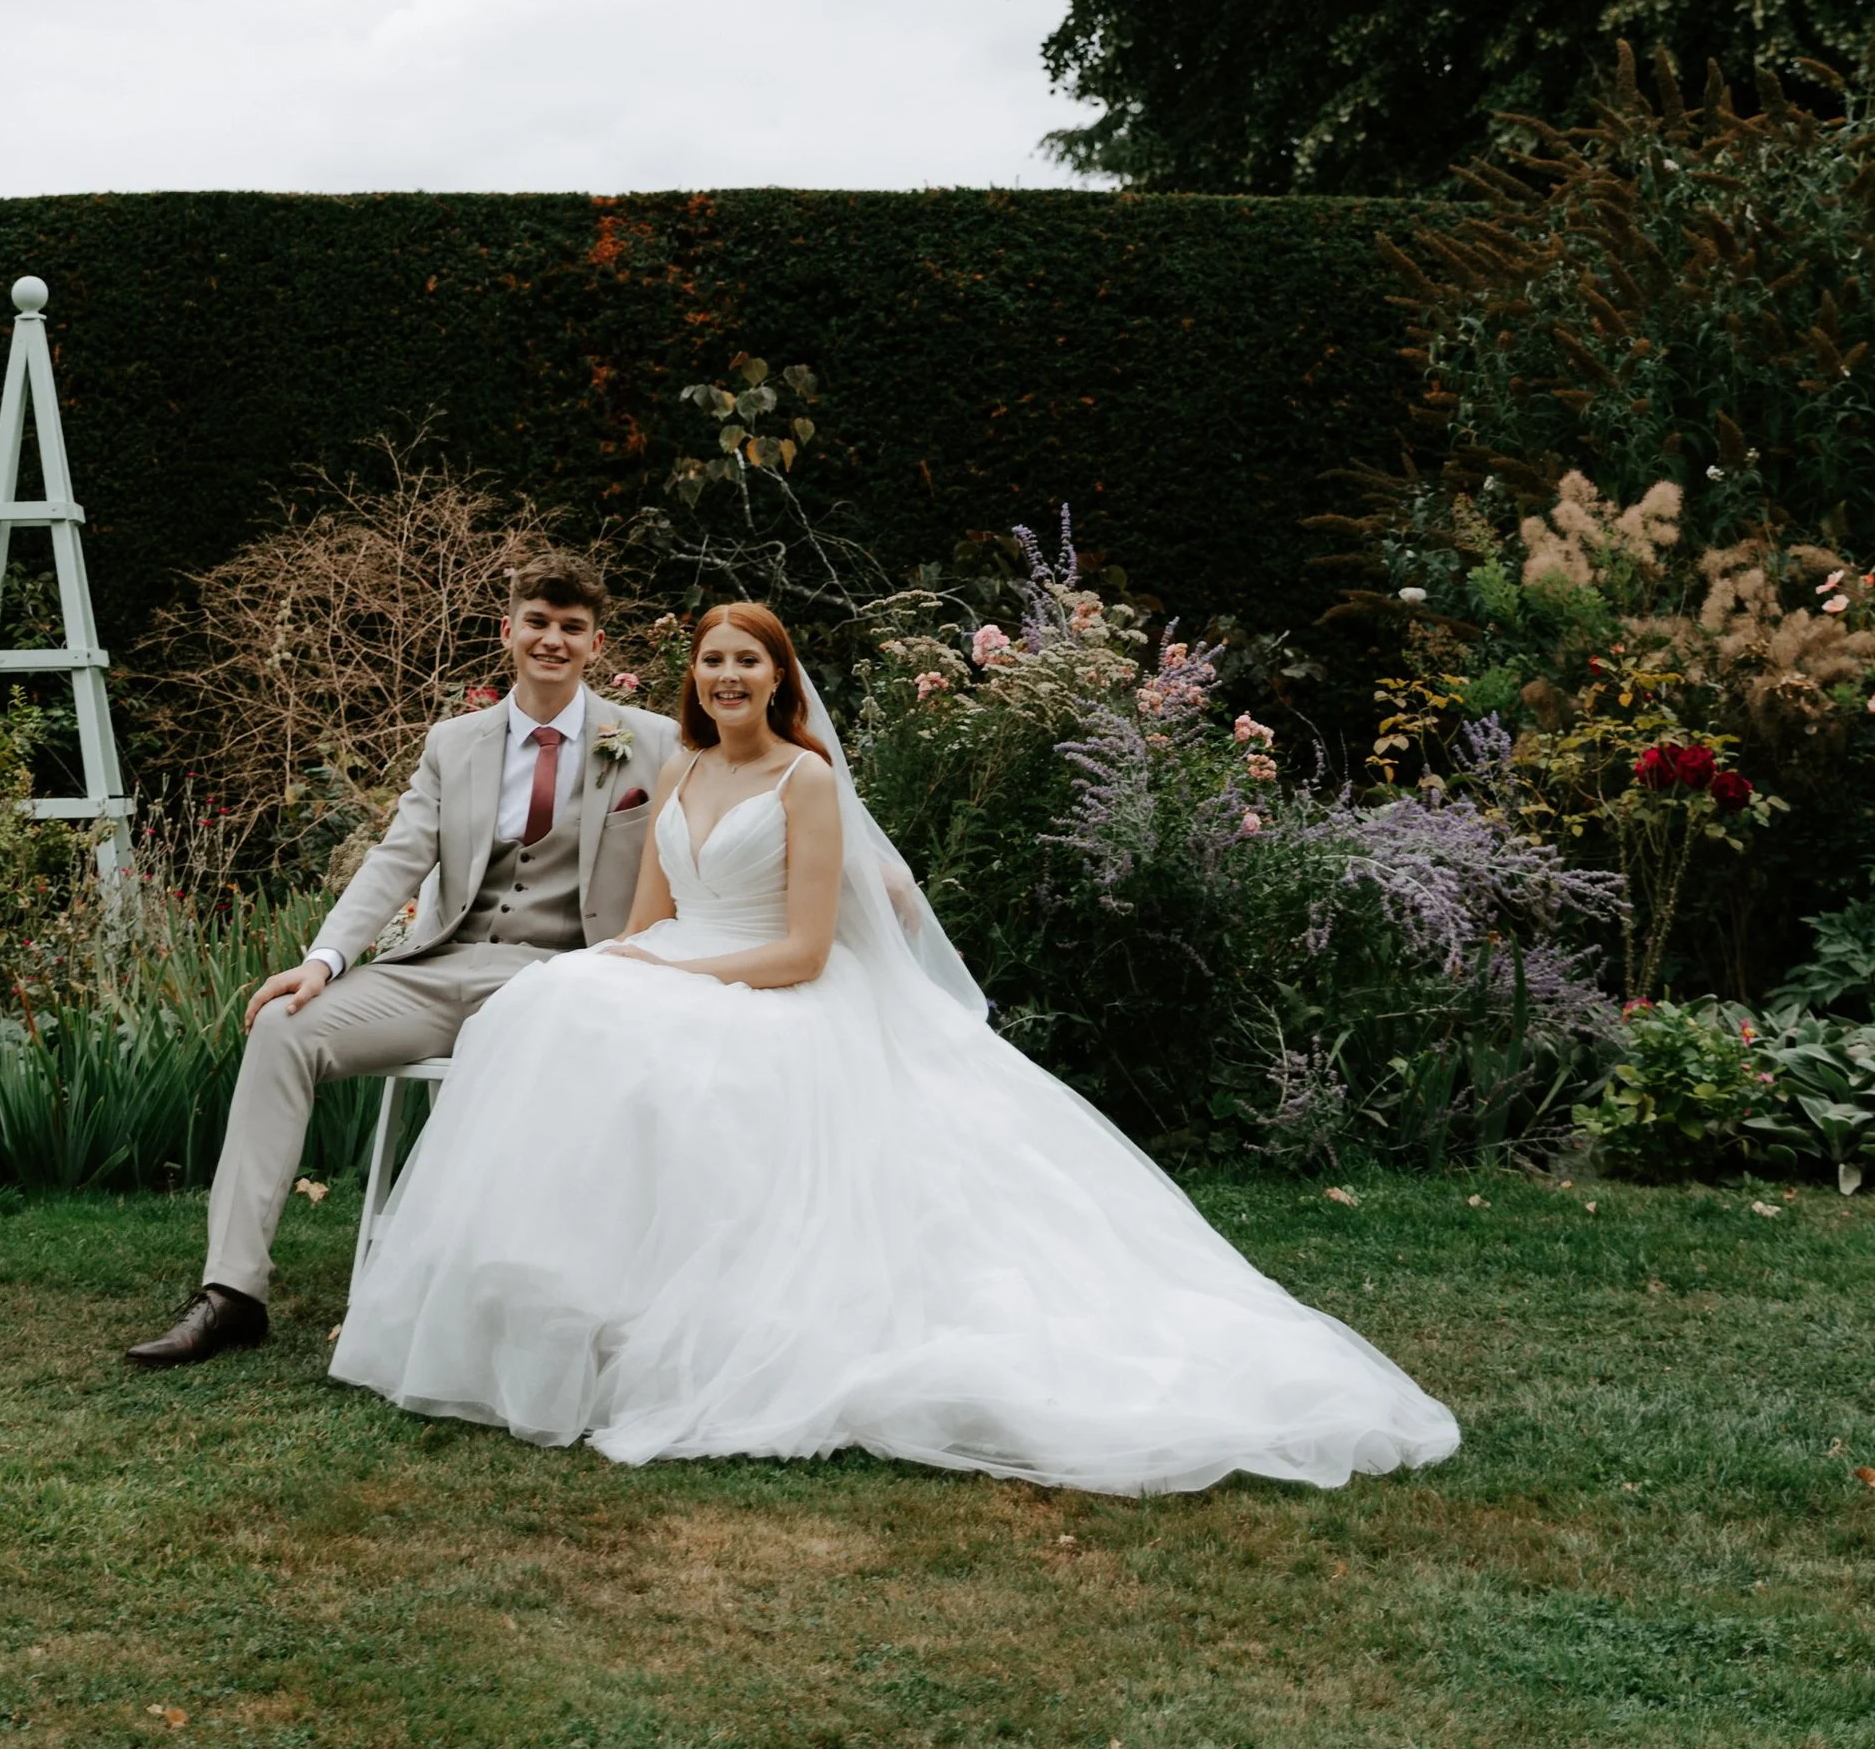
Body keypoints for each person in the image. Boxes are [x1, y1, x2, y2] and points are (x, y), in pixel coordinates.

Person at [330, 601, 1462, 1493]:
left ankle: (686, 1326)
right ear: (693, 679)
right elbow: (639, 925)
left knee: (642, 1044)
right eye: (711, 661)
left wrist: (666, 971)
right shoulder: (672, 770)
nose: (727, 678)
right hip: (671, 963)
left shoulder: (804, 779)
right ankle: (552, 1309)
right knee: (553, 1008)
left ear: (780, 679)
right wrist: (623, 966)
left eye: (748, 663)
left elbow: (806, 951)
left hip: (768, 987)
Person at [125, 557, 679, 1366]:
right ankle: (232, 1291)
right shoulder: (454, 744)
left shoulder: (651, 741)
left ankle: (490, 1288)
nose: (551, 641)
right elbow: (397, 857)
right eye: (537, 623)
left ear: (596, 644)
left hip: (560, 981)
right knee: (284, 1026)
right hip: (437, 968)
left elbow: (722, 816)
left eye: (570, 628)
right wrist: (323, 959)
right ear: (508, 632)